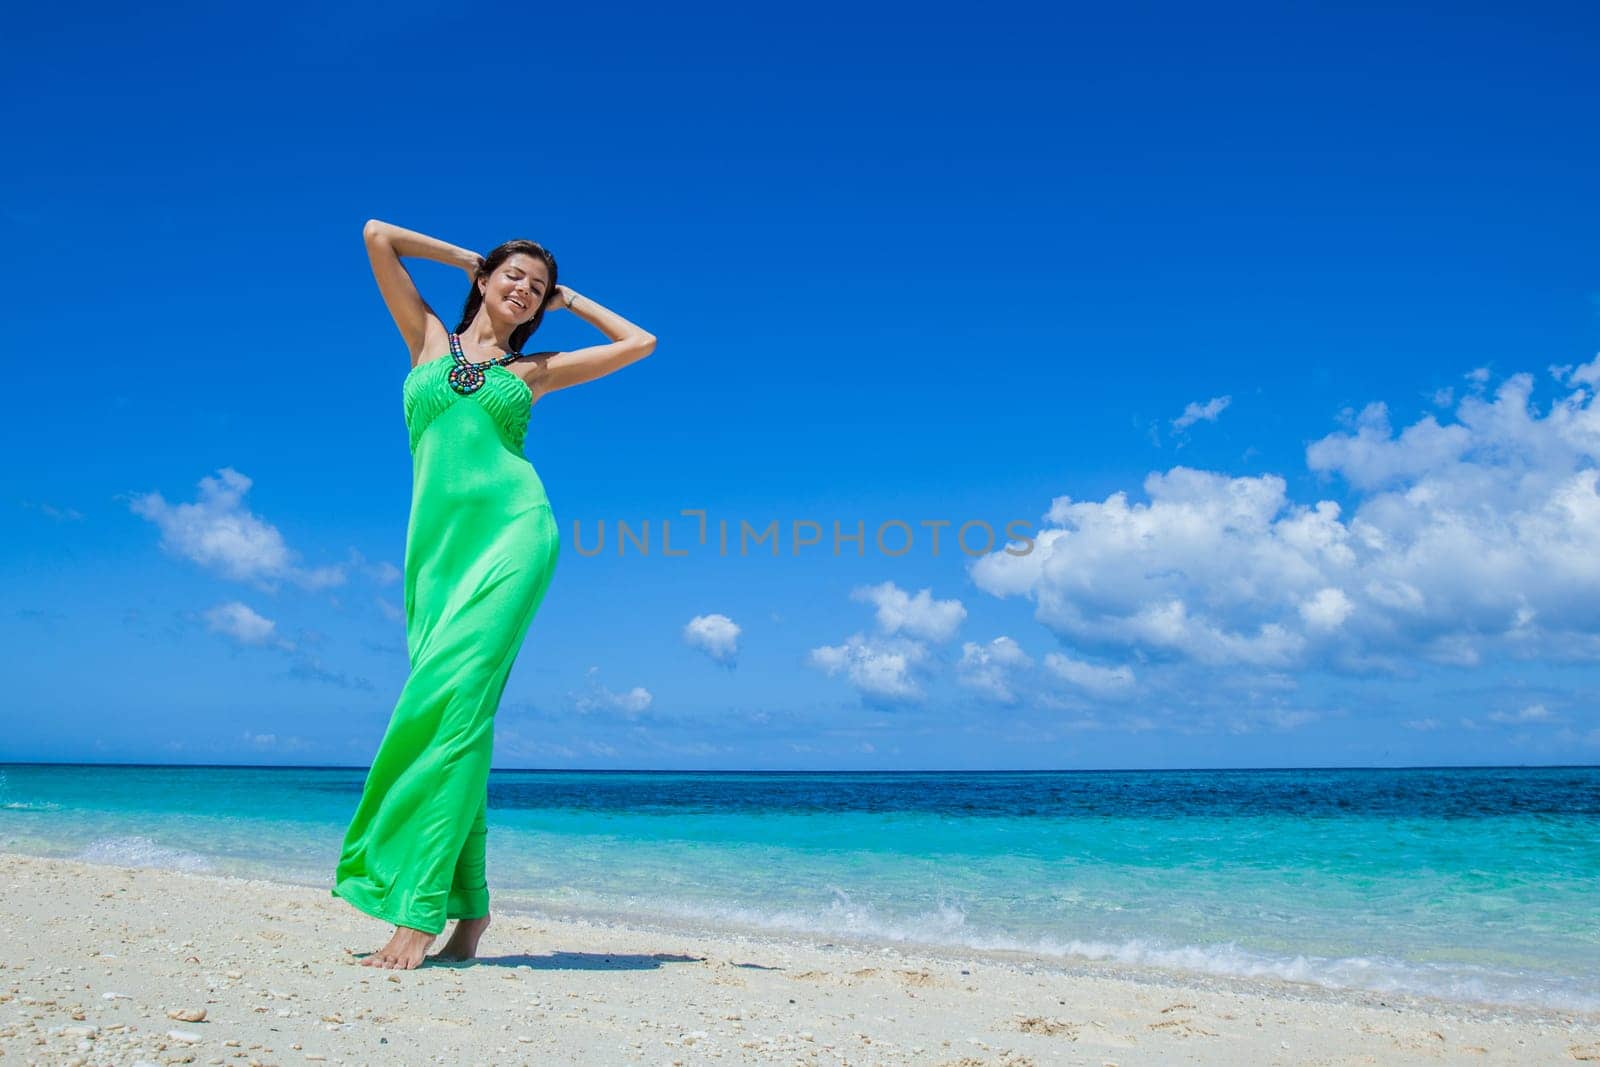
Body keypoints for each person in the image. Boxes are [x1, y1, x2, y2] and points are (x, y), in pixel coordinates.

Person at [331, 219, 656, 969]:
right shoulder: (426, 340)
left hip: (514, 535)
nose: (525, 290)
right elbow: (378, 236)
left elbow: (639, 342)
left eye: (537, 288)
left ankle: (415, 913)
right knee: (456, 718)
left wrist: (570, 300)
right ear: (484, 281)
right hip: (436, 560)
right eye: (514, 277)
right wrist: (468, 257)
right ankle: (470, 913)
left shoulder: (532, 371)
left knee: (452, 713)